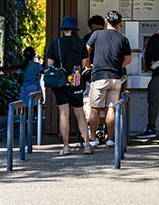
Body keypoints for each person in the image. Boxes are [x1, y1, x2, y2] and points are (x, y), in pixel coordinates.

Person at [45, 16, 94, 155]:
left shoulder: (56, 43)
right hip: (76, 80)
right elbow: (85, 64)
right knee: (80, 113)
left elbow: (49, 64)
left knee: (64, 113)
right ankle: (87, 145)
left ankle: (66, 146)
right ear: (74, 30)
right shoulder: (80, 43)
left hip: (60, 83)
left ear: (63, 30)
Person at [84, 10, 131, 148]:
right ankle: (110, 139)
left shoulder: (96, 34)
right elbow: (128, 59)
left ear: (106, 21)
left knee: (95, 109)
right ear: (119, 24)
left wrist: (88, 66)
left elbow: (87, 49)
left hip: (98, 76)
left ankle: (93, 139)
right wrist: (119, 65)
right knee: (112, 109)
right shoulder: (123, 39)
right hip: (115, 78)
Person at [83, 15, 107, 143]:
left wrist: (87, 67)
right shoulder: (110, 37)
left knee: (92, 106)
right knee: (108, 106)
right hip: (110, 76)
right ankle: (105, 131)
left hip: (92, 76)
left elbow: (84, 55)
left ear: (92, 25)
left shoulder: (88, 38)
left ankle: (93, 135)